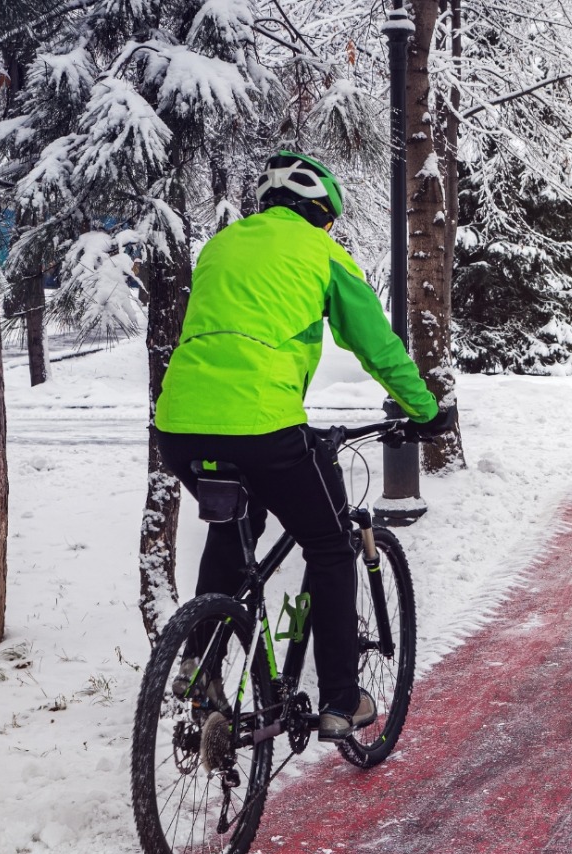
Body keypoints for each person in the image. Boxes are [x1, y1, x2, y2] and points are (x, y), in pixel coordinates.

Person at [154, 150, 453, 741]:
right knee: (332, 545)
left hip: (180, 426)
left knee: (231, 527)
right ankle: (342, 699)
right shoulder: (323, 252)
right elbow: (377, 346)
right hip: (263, 425)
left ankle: (201, 663)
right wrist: (425, 410)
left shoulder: (220, 246)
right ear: (322, 213)